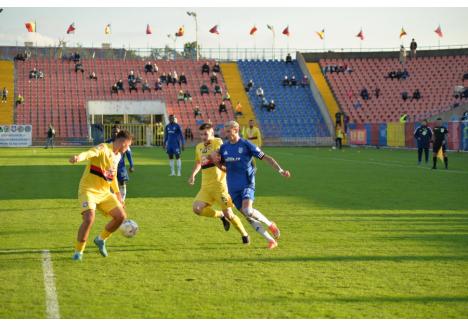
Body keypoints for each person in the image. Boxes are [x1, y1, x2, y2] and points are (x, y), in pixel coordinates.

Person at [213, 121, 291, 249]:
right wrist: (216, 162)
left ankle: (270, 224)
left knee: (248, 210)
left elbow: (266, 158)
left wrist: (281, 170)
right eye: (225, 132)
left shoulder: (246, 145)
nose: (226, 134)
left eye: (228, 131)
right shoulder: (224, 148)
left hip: (247, 183)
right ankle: (271, 241)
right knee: (248, 217)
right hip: (232, 187)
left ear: (236, 129)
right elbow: (224, 167)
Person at [68, 130, 133, 261]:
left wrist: (119, 197)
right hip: (89, 190)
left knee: (121, 216)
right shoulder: (103, 148)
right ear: (123, 142)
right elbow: (90, 153)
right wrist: (78, 158)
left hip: (104, 193)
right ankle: (78, 252)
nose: (127, 149)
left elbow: (112, 176)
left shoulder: (118, 156)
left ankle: (101, 239)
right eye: (128, 146)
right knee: (89, 218)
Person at [188, 123, 250, 245]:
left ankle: (244, 234)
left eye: (205, 134)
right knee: (197, 208)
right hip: (205, 187)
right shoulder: (199, 147)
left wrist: (211, 156)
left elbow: (218, 154)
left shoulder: (217, 142)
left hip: (220, 186)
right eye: (201, 134)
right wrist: (193, 175)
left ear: (211, 133)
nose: (203, 136)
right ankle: (220, 215)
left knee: (230, 215)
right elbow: (198, 163)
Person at [106, 129, 135, 201]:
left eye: (117, 132)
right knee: (109, 182)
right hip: (110, 167)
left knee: (122, 182)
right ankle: (112, 199)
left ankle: (122, 199)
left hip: (121, 167)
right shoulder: (107, 142)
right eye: (114, 132)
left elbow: (129, 155)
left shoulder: (125, 143)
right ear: (111, 133)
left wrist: (132, 165)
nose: (115, 133)